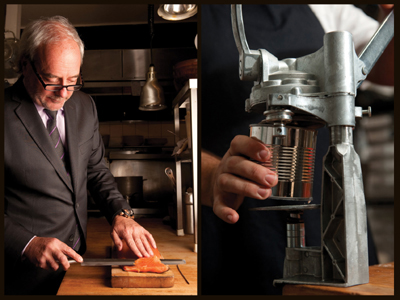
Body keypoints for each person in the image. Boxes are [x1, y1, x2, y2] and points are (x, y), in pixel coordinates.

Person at [201, 4, 393, 295]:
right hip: (236, 222)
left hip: (330, 210)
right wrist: (214, 175)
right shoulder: (190, 13)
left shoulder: (327, 8)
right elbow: (180, 143)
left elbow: (386, 67)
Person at [4, 16, 157, 295]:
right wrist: (26, 242)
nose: (64, 93)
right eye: (52, 80)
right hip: (19, 275)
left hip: (77, 262)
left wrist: (120, 215)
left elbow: (96, 171)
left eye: (73, 80)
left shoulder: (84, 105)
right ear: (24, 65)